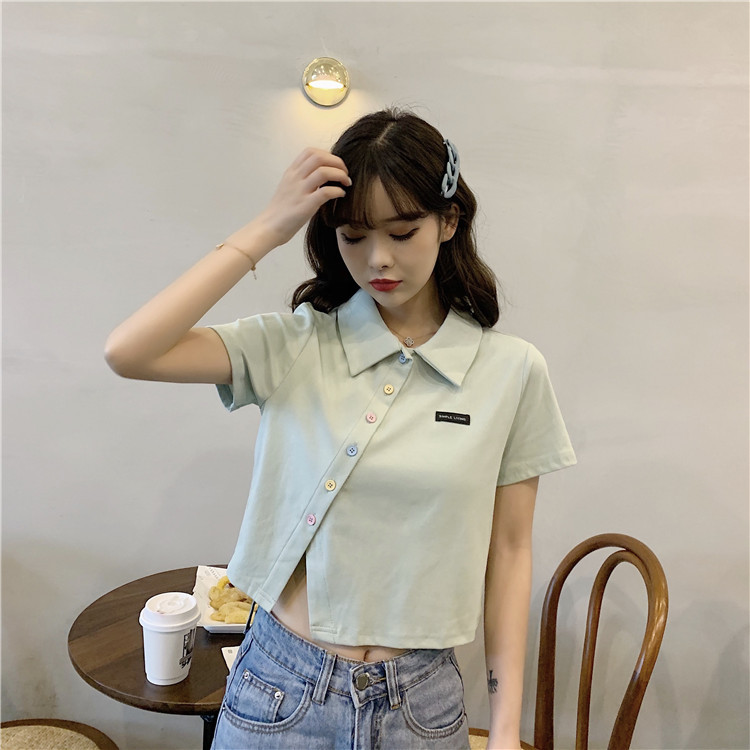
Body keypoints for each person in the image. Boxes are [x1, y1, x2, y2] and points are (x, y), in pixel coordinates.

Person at [105, 108, 576, 750]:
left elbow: (511, 551)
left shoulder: (513, 371)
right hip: (281, 689)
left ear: (448, 221)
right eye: (353, 236)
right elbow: (129, 351)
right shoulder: (295, 344)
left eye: (403, 231)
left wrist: (504, 731)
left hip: (422, 703)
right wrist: (267, 228)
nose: (378, 258)